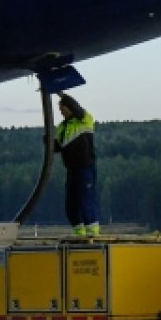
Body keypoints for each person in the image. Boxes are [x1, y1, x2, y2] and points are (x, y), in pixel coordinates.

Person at [55, 93, 99, 236]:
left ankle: (92, 234)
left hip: (85, 168)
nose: (60, 110)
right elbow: (56, 147)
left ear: (69, 107)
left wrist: (59, 92)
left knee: (85, 201)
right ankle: (80, 234)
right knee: (71, 205)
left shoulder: (84, 120)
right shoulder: (62, 127)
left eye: (62, 107)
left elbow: (76, 106)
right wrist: (48, 141)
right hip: (72, 170)